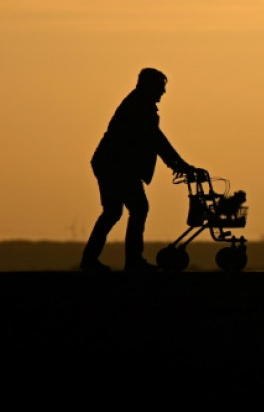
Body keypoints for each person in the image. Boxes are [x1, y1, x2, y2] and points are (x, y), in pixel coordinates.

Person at [80, 68, 197, 273]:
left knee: (113, 212)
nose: (163, 92)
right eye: (161, 87)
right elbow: (156, 140)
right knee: (137, 208)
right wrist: (181, 166)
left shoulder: (140, 105)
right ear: (148, 86)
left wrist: (179, 165)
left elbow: (155, 140)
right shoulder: (139, 107)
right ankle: (132, 261)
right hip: (116, 165)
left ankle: (92, 260)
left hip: (111, 164)